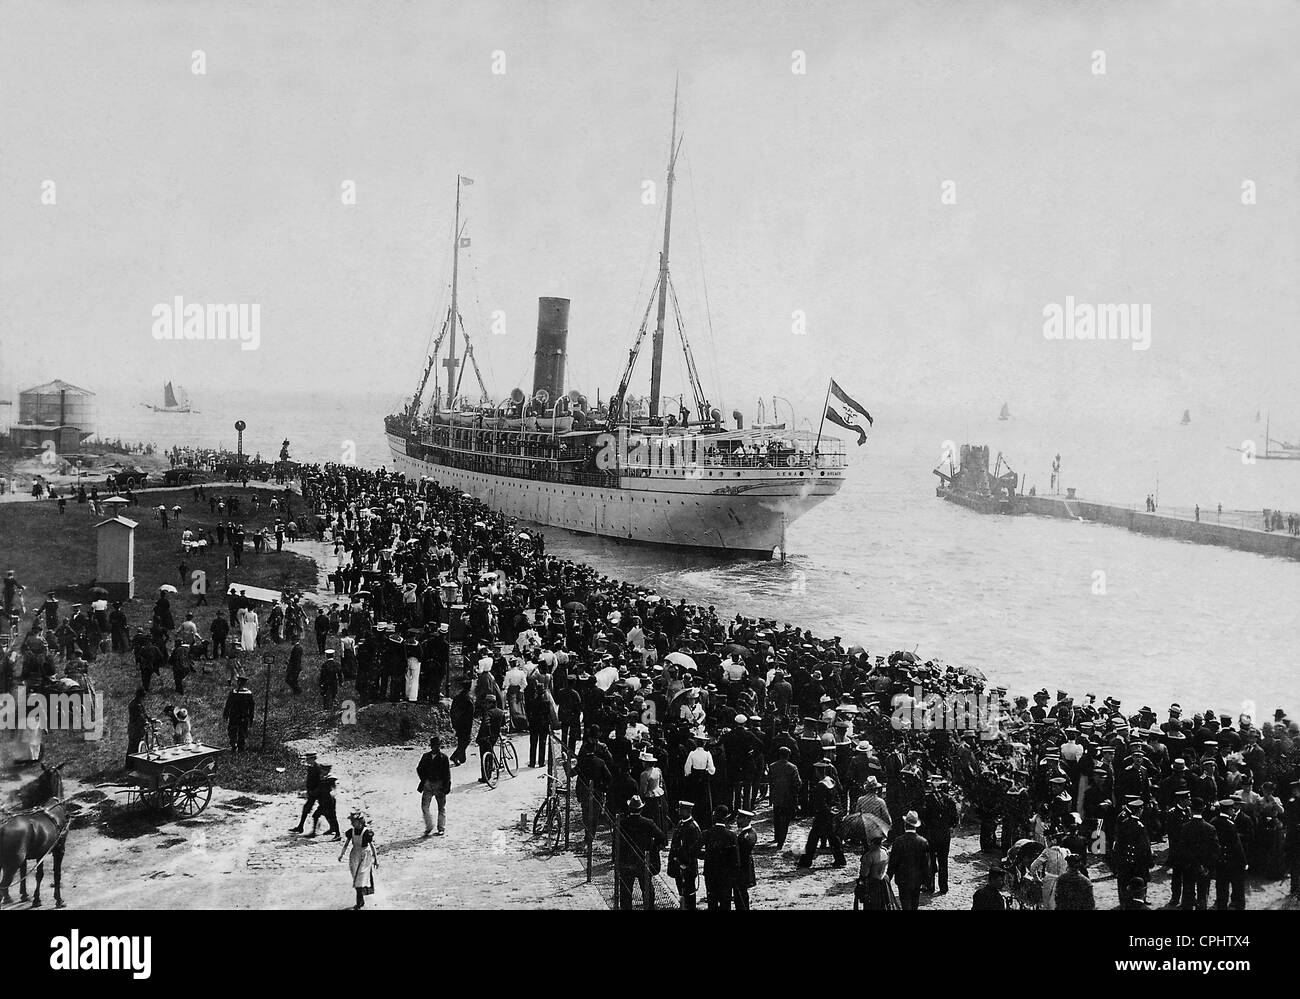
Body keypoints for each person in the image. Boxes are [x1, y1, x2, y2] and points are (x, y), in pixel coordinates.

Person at [616, 795, 667, 910]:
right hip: (643, 861)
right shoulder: (648, 823)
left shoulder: (622, 823)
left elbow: (617, 843)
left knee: (625, 892)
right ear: (641, 809)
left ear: (629, 809)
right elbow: (662, 836)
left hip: (627, 862)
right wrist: (653, 848)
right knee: (647, 890)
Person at [799, 766, 847, 869]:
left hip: (822, 816)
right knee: (833, 838)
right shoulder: (830, 781)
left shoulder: (821, 785)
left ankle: (805, 862)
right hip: (830, 815)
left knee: (813, 839)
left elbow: (820, 803)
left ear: (817, 771)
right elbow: (837, 798)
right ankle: (840, 860)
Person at [887, 810, 930, 910]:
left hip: (902, 879)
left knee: (905, 903)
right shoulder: (923, 842)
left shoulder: (898, 841)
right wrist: (926, 880)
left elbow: (893, 862)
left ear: (905, 824)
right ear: (916, 826)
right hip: (917, 879)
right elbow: (926, 863)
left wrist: (889, 876)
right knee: (915, 903)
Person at [701, 806, 740, 910]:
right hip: (726, 875)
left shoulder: (707, 833)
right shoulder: (732, 835)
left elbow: (694, 850)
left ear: (714, 817)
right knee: (725, 902)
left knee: (712, 901)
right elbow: (736, 859)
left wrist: (707, 855)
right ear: (726, 818)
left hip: (710, 873)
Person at [338, 811, 379, 909]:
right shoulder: (351, 832)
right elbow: (346, 844)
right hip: (354, 855)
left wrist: (376, 859)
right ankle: (361, 900)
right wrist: (342, 854)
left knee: (360, 879)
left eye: (354, 821)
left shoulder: (366, 833)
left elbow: (372, 846)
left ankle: (359, 903)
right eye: (352, 822)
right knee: (356, 878)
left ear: (360, 822)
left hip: (365, 855)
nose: (352, 823)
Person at [668, 799, 702, 910]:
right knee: (681, 890)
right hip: (679, 865)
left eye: (682, 810)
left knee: (689, 891)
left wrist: (685, 864)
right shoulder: (681, 823)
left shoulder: (692, 827)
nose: (679, 812)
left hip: (687, 866)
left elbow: (694, 850)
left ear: (688, 811)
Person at [766, 745, 802, 849]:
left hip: (776, 796)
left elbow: (770, 781)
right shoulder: (792, 767)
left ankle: (777, 837)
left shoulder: (772, 766)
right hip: (788, 797)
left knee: (776, 817)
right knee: (785, 820)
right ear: (788, 756)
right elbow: (798, 783)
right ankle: (781, 841)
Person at [417, 736, 451, 837]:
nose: (436, 747)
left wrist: (446, 786)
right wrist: (424, 780)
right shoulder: (425, 757)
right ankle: (429, 826)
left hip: (439, 785)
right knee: (424, 807)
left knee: (441, 808)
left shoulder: (444, 758)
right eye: (434, 745)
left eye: (437, 745)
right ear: (431, 746)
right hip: (428, 785)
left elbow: (447, 774)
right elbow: (419, 769)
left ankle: (441, 828)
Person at [855, 833, 895, 910]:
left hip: (872, 884)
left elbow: (864, 873)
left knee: (872, 906)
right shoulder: (885, 851)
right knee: (884, 905)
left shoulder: (869, 855)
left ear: (871, 842)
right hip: (884, 882)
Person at [476, 693, 506, 784]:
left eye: (487, 703)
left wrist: (486, 734)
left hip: (486, 737)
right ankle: (490, 770)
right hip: (495, 737)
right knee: (490, 751)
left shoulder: (488, 713)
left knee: (484, 755)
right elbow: (503, 724)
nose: (486, 705)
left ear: (490, 703)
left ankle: (486, 776)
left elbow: (486, 724)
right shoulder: (501, 712)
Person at [222, 675, 256, 753]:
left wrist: (226, 714)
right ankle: (237, 746)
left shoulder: (242, 693)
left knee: (238, 731)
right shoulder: (241, 693)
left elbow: (228, 704)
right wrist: (251, 717)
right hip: (241, 716)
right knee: (238, 731)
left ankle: (237, 746)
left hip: (238, 715)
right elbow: (251, 707)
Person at [292, 752, 322, 833]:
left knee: (325, 811)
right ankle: (300, 827)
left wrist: (315, 792)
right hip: (312, 792)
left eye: (308, 759)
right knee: (306, 809)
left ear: (313, 759)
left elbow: (320, 782)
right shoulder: (311, 768)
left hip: (318, 793)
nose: (307, 760)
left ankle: (333, 828)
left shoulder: (318, 768)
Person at [734, 809, 758, 910]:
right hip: (743, 867)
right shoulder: (747, 833)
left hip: (742, 868)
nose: (737, 820)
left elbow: (740, 852)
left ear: (747, 819)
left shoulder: (747, 836)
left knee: (741, 894)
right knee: (739, 894)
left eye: (740, 818)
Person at [449, 680, 474, 766]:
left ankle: (461, 757)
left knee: (461, 740)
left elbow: (452, 710)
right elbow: (471, 712)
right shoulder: (468, 698)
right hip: (466, 723)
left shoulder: (457, 697)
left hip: (457, 721)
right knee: (466, 740)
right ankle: (455, 756)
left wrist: (454, 722)